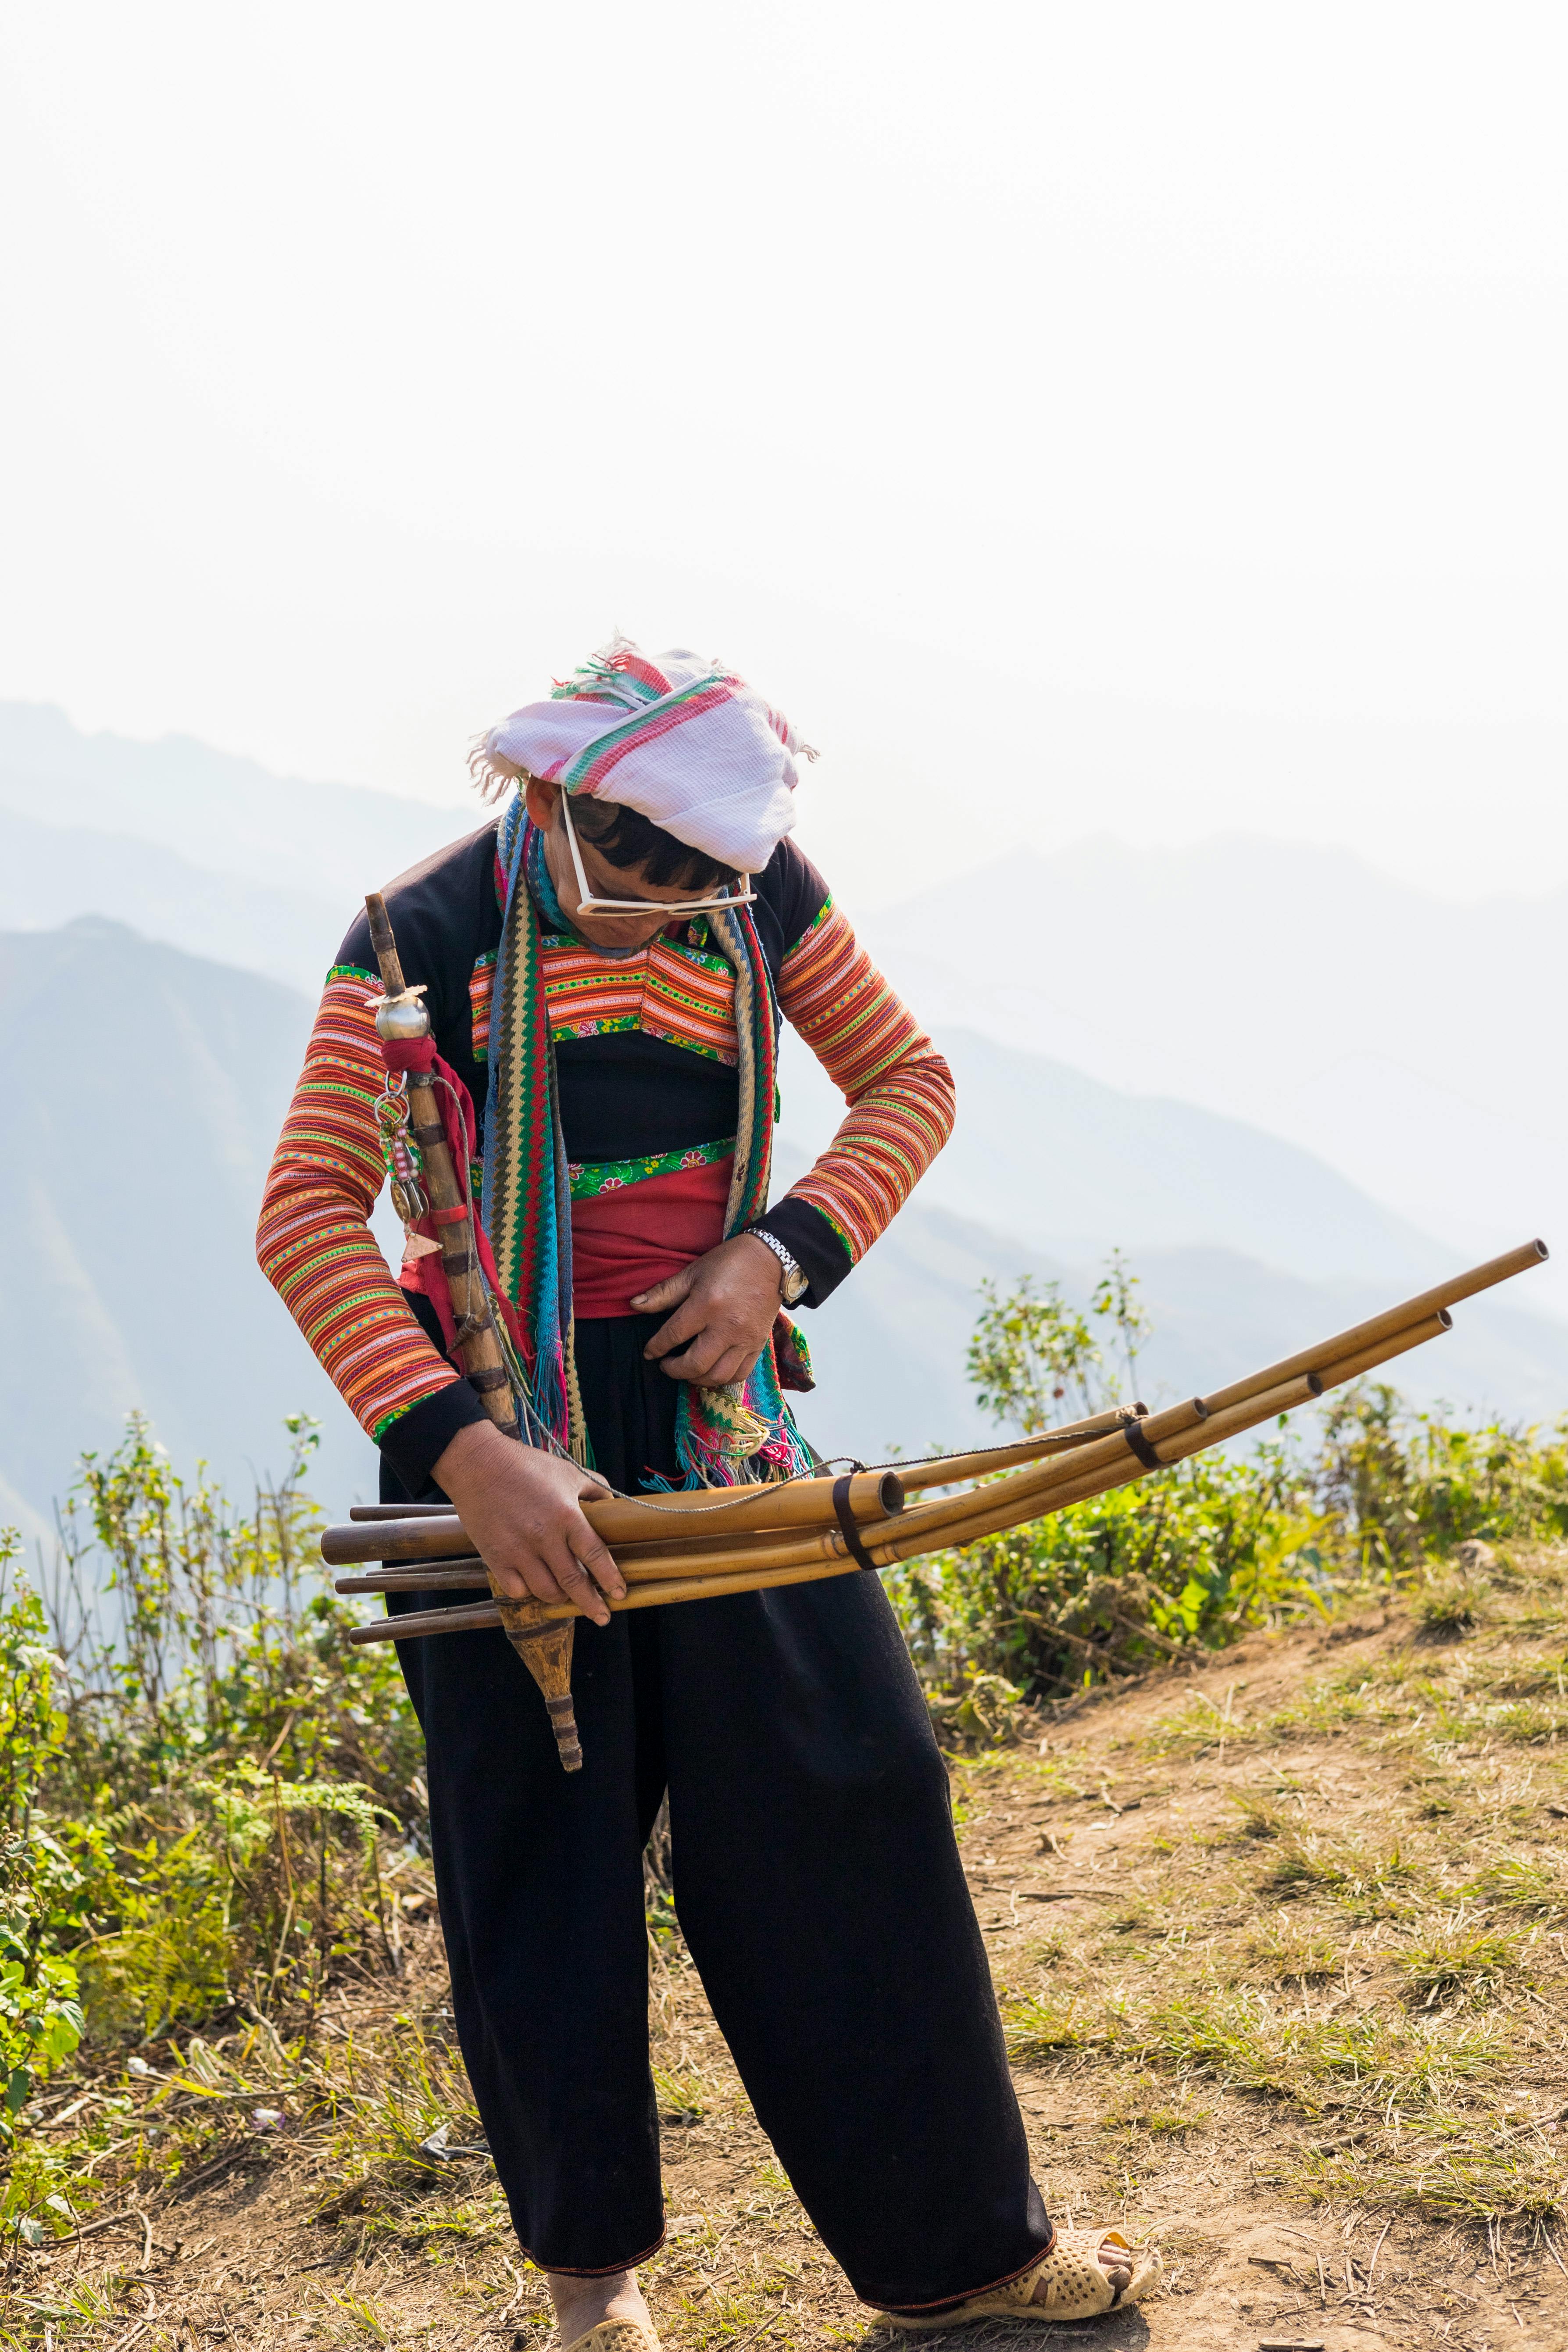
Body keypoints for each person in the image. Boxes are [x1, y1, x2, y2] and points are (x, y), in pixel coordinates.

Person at [257, 639, 1150, 2348]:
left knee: (854, 1795)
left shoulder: (759, 899)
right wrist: (474, 1455)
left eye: (696, 888)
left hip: (714, 1430)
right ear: (558, 801)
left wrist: (776, 1255)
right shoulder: (418, 939)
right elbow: (310, 1219)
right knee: (547, 1862)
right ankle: (592, 2292)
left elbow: (911, 1082)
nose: (660, 911)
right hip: (497, 1449)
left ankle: (964, 2262)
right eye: (637, 872)